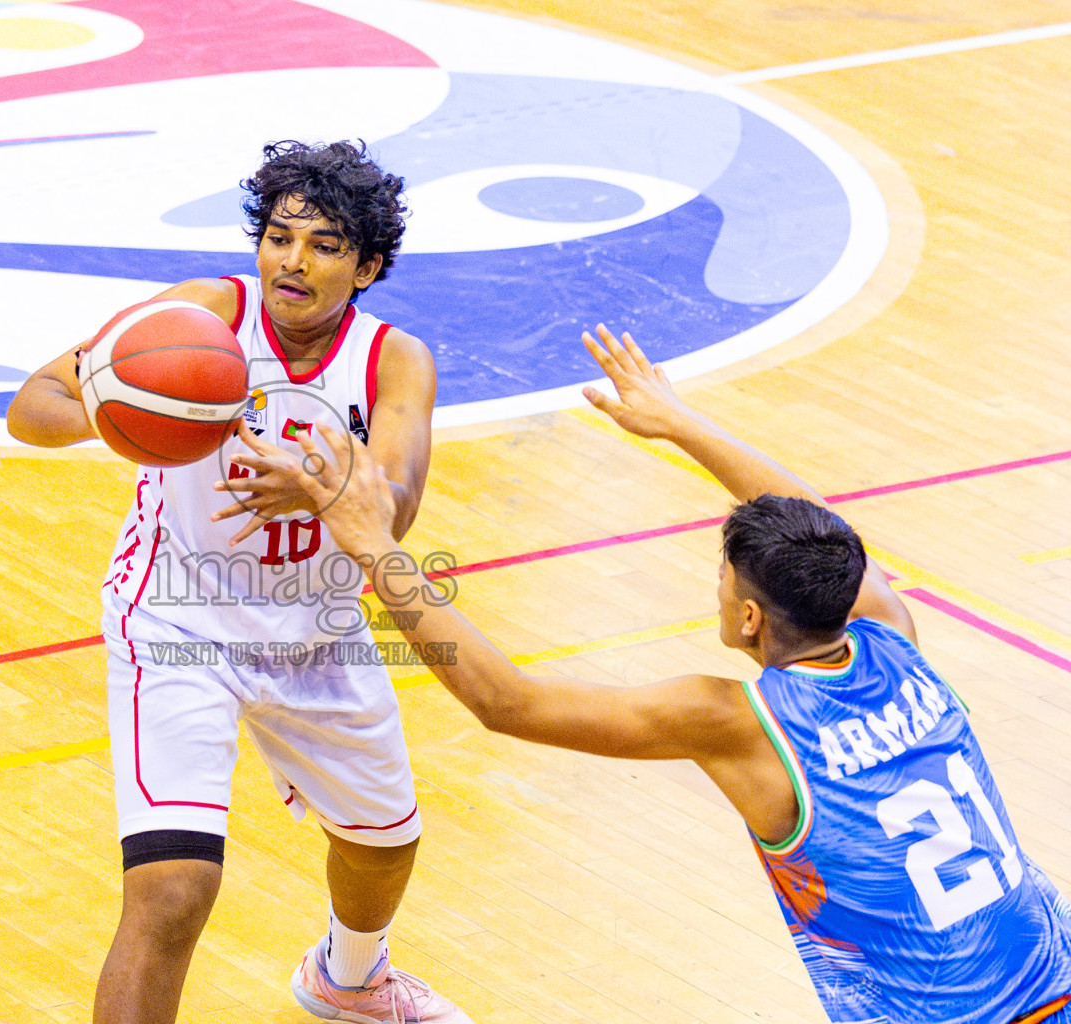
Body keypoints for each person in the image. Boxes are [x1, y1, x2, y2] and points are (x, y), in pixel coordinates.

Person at [286, 325, 1071, 1024]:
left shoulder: (738, 721)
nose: (718, 590)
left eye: (724, 579)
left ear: (752, 618)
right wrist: (681, 423)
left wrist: (371, 544)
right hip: (1053, 973)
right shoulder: (890, 638)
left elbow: (505, 702)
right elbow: (831, 535)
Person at [7, 140, 472, 1024]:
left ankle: (350, 978)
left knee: (384, 846)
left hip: (318, 632)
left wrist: (327, 487)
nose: (292, 260)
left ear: (368, 265)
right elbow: (32, 406)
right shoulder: (195, 319)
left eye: (326, 244)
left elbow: (400, 504)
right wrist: (135, 419)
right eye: (280, 235)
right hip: (178, 627)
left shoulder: (394, 359)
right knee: (174, 891)